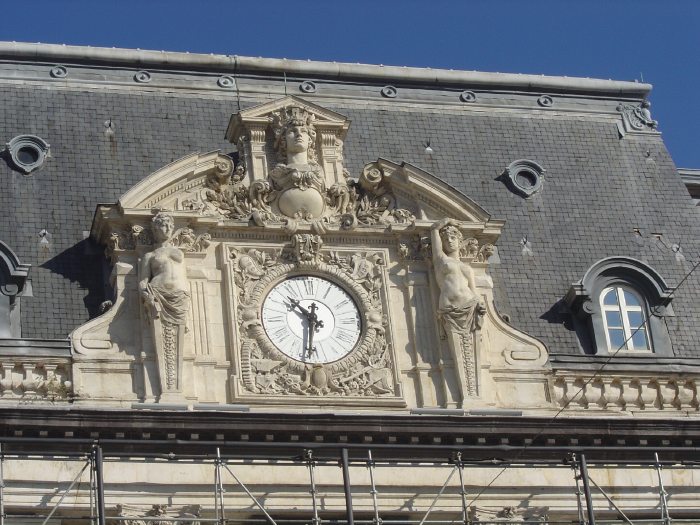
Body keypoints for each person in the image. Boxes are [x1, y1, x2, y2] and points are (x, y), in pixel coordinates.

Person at [430, 218, 485, 332]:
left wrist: (480, 303)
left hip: (470, 305)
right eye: (445, 239)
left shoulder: (467, 268)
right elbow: (434, 228)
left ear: (460, 242)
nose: (449, 241)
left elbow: (474, 291)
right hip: (450, 307)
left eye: (453, 238)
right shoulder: (441, 259)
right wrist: (447, 220)